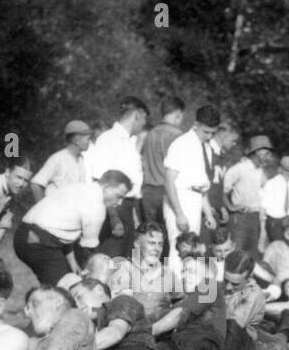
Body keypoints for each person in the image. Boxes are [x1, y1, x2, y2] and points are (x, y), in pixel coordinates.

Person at [13, 172, 132, 286]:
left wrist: (72, 262)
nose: (120, 202)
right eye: (118, 196)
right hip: (39, 242)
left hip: (23, 235)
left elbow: (62, 230)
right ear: (106, 187)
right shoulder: (96, 206)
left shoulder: (78, 187)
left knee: (58, 284)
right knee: (68, 289)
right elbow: (89, 251)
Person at [152, 238, 226, 350]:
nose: (185, 276)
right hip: (180, 343)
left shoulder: (210, 286)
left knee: (190, 344)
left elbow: (180, 315)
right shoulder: (184, 300)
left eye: (190, 271)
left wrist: (149, 330)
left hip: (206, 345)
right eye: (183, 271)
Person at [87, 96, 148, 257]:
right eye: (143, 120)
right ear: (137, 116)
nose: (143, 125)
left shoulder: (129, 142)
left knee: (125, 260)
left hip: (128, 207)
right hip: (113, 208)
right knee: (111, 259)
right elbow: (99, 183)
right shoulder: (109, 140)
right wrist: (113, 217)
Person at [163, 104, 221, 251]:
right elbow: (168, 181)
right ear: (195, 125)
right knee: (179, 249)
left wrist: (208, 214)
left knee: (192, 251)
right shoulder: (181, 144)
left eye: (213, 133)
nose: (209, 136)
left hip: (196, 201)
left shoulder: (206, 147)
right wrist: (179, 214)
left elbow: (200, 186)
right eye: (206, 132)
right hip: (180, 199)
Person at [139, 97, 185, 248]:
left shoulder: (150, 134)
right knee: (170, 241)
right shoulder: (177, 136)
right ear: (177, 114)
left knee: (151, 241)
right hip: (167, 192)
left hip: (148, 192)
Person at [223, 136, 273, 254]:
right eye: (266, 153)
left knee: (251, 254)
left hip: (254, 218)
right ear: (257, 152)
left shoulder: (260, 171)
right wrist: (230, 207)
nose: (268, 157)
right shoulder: (239, 168)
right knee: (236, 252)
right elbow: (222, 189)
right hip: (240, 217)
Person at [30, 120, 92, 200]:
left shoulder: (81, 159)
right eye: (88, 139)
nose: (89, 142)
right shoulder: (58, 159)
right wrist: (42, 208)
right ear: (76, 141)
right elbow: (36, 184)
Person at [222, 250, 265, 350]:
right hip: (220, 331)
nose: (228, 287)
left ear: (250, 276)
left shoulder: (253, 294)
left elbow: (236, 323)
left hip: (240, 340)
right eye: (226, 281)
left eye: (235, 284)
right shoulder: (221, 286)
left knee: (231, 325)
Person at [262, 155, 289, 246]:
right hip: (275, 222)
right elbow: (263, 207)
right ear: (280, 169)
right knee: (278, 247)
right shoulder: (271, 184)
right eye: (286, 170)